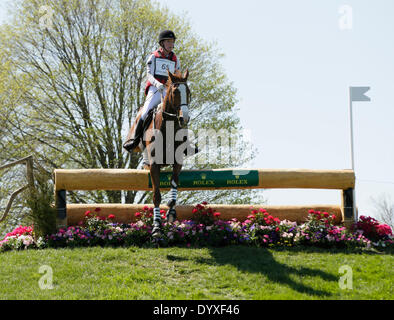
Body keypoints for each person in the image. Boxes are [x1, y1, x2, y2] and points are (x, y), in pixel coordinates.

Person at [123, 30, 180, 152]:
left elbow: (177, 75)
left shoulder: (175, 59)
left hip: (168, 90)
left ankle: (184, 142)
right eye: (168, 41)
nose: (171, 44)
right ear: (162, 43)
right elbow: (149, 75)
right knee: (145, 112)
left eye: (172, 41)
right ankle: (135, 140)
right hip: (155, 88)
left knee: (179, 111)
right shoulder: (153, 56)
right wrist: (157, 84)